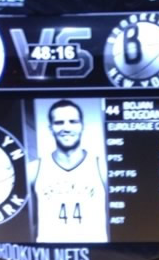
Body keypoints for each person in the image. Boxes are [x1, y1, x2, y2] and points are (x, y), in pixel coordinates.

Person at [32, 99, 108, 243]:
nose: (66, 128)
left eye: (73, 121)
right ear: (50, 128)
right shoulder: (34, 169)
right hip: (50, 257)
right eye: (59, 122)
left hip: (99, 255)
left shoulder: (102, 167)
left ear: (82, 126)